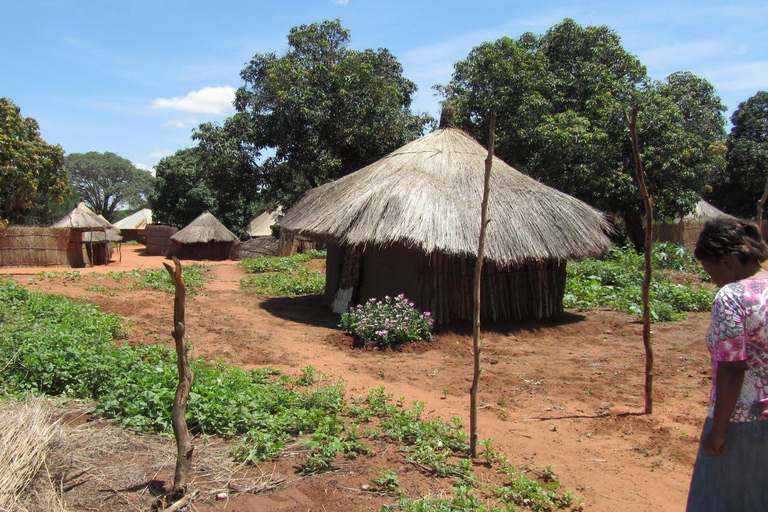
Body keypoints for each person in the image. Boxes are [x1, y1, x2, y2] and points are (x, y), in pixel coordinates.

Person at [687, 217, 768, 511]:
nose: (713, 280)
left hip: (743, 421)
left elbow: (733, 369)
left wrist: (719, 429)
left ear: (729, 260)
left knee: (719, 500)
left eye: (712, 271)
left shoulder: (732, 297)